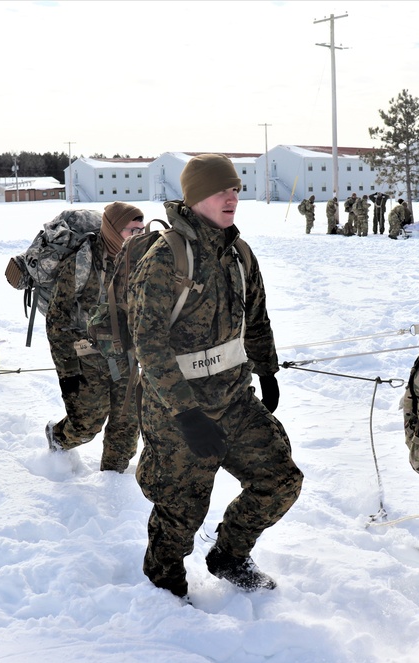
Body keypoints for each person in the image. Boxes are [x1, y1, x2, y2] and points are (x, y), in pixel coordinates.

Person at [127, 154, 303, 599]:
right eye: (220, 190)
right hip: (176, 408)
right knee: (180, 508)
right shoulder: (165, 259)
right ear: (194, 197)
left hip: (233, 398)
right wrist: (186, 414)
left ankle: (228, 555)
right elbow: (149, 344)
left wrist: (266, 368)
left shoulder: (239, 253)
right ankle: (163, 585)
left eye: (236, 189)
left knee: (280, 479)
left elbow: (257, 317)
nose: (232, 197)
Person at [45, 201, 144, 472]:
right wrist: (67, 372)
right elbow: (57, 318)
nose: (138, 236)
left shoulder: (142, 260)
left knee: (126, 426)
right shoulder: (82, 262)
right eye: (131, 231)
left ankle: (112, 482)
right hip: (85, 353)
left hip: (125, 353)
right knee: (85, 426)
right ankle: (57, 439)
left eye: (141, 230)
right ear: (113, 230)